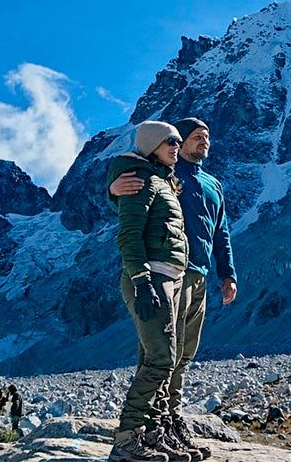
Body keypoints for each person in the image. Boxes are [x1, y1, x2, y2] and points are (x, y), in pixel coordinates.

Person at [109, 117, 236, 461]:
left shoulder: (202, 183)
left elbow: (220, 232)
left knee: (178, 356)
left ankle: (161, 427)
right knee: (161, 357)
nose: (199, 142)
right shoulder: (156, 174)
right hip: (160, 275)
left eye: (205, 137)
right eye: (192, 137)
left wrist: (228, 273)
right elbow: (129, 212)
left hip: (193, 276)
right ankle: (136, 434)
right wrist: (111, 187)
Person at [106, 121, 191, 462]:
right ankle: (126, 439)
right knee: (161, 359)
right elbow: (128, 234)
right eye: (170, 141)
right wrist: (141, 281)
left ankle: (151, 435)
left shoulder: (159, 181)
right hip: (152, 279)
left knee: (154, 358)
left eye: (178, 141)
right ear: (152, 144)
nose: (177, 146)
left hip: (166, 278)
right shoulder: (138, 180)